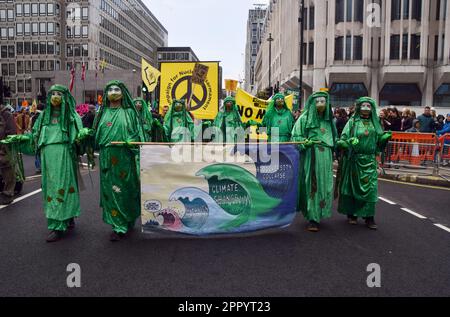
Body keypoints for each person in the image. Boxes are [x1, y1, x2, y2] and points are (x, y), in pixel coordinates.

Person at [2, 85, 88, 242]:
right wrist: (21, 139)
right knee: (51, 190)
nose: (55, 96)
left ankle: (58, 225)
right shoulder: (43, 117)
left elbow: (79, 139)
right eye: (53, 94)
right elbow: (34, 137)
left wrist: (81, 138)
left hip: (63, 157)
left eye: (59, 94)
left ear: (65, 97)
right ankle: (63, 219)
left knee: (61, 188)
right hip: (47, 158)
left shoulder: (71, 116)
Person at [92, 80, 146, 241]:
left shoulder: (129, 113)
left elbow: (138, 134)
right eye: (110, 90)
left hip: (125, 157)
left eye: (116, 89)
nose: (113, 92)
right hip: (107, 158)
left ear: (122, 93)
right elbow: (95, 137)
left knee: (127, 189)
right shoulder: (101, 114)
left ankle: (128, 219)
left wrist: (132, 141)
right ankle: (118, 225)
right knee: (111, 191)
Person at [336, 97, 392, 230]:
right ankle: (352, 214)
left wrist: (384, 139)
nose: (366, 108)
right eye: (363, 106)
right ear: (359, 107)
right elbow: (342, 139)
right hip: (354, 160)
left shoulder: (375, 122)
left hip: (369, 160)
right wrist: (350, 141)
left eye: (368, 106)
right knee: (353, 187)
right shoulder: (352, 122)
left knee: (371, 188)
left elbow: (379, 141)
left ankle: (369, 217)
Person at [291, 91, 337, 232]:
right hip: (312, 155)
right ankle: (313, 217)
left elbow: (335, 138)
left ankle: (320, 212)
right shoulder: (304, 118)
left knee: (325, 185)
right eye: (317, 102)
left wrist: (342, 145)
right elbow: (295, 136)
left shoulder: (329, 120)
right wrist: (305, 142)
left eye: (323, 102)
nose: (320, 105)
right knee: (312, 185)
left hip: (326, 157)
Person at [0, 103, 18, 205]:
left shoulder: (6, 115)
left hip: (4, 148)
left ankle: (8, 193)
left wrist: (4, 149)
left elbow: (11, 133)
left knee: (7, 169)